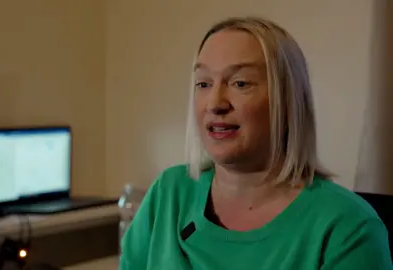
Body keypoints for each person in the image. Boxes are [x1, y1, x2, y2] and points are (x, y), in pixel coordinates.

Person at [119, 17, 393, 270]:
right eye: (203, 83)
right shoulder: (168, 194)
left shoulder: (347, 228)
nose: (215, 103)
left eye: (240, 83)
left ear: (288, 102)